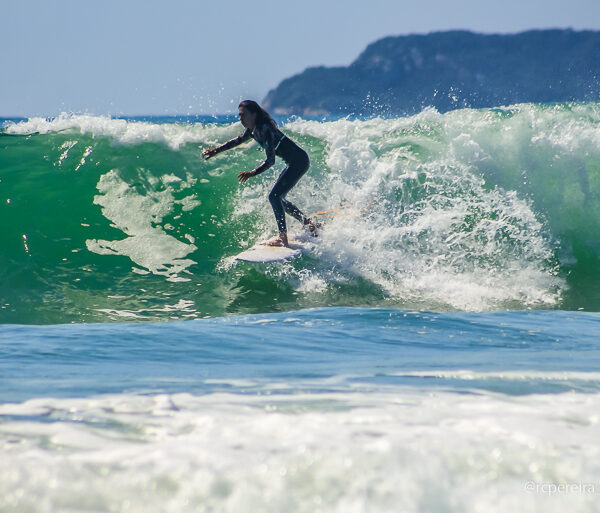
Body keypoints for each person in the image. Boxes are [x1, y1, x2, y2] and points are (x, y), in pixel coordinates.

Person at [202, 100, 318, 247]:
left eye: (243, 115)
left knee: (274, 196)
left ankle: (283, 237)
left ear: (254, 114)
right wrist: (215, 151)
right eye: (239, 115)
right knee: (279, 198)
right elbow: (237, 141)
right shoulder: (253, 129)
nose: (240, 119)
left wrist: (252, 173)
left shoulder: (266, 128)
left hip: (299, 162)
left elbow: (271, 161)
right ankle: (309, 224)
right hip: (295, 162)